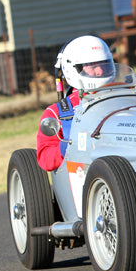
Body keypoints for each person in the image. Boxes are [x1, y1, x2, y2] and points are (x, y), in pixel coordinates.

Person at [37, 35, 115, 171]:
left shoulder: (126, 96)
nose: (100, 71)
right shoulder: (56, 113)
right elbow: (44, 159)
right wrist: (67, 147)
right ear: (72, 69)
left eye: (104, 64)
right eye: (92, 66)